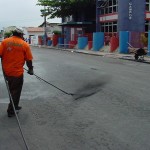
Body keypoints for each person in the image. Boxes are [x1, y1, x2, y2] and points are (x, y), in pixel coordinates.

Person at [0, 27, 34, 117]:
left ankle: (15, 105)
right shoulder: (24, 44)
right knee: (15, 91)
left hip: (6, 72)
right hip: (17, 73)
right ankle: (11, 111)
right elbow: (29, 60)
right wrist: (30, 69)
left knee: (12, 89)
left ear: (13, 33)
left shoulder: (5, 42)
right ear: (20, 34)